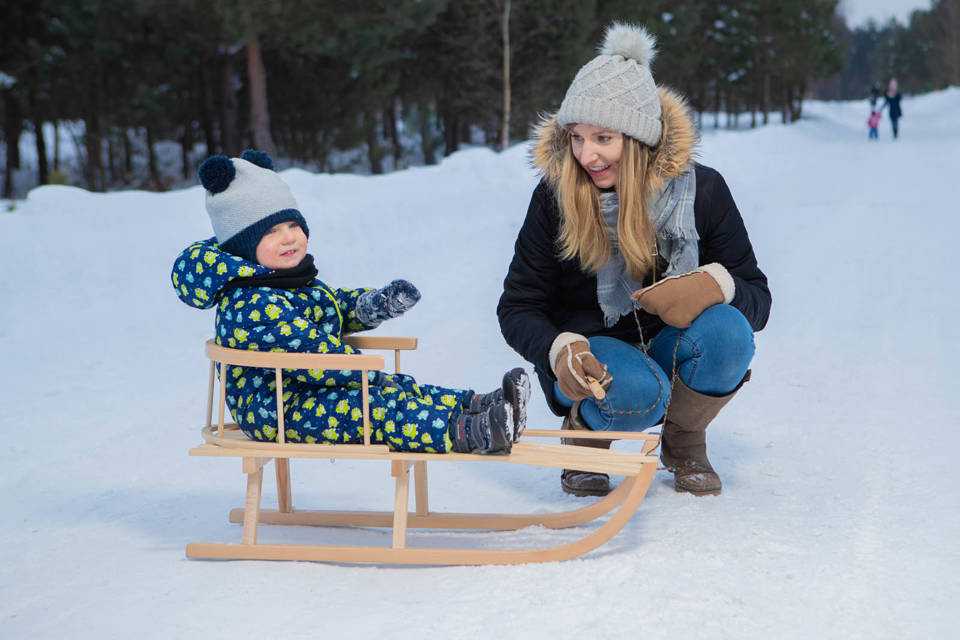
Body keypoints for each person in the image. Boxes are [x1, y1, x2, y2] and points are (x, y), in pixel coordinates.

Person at [498, 23, 771, 497]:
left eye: (603, 138)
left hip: (667, 347)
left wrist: (715, 286)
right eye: (577, 138)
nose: (587, 155)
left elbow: (757, 299)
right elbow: (517, 306)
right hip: (592, 359)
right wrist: (559, 348)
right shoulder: (554, 197)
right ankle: (586, 435)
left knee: (728, 334)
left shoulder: (703, 191)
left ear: (639, 138)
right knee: (638, 391)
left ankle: (684, 441)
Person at [172, 149, 530, 455]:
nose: (287, 239)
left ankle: (480, 405)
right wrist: (361, 369)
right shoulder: (250, 302)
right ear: (243, 246)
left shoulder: (286, 282)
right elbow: (308, 354)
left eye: (292, 226)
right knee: (380, 407)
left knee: (399, 388)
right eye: (269, 232)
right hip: (279, 409)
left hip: (305, 391)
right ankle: (472, 431)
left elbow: (331, 307)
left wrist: (373, 304)